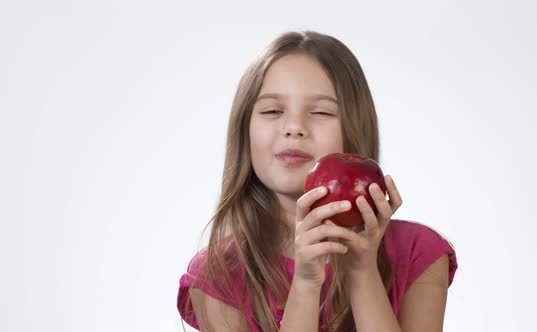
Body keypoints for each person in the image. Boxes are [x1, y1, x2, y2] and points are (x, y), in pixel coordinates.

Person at [177, 30, 458, 332]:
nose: (294, 127)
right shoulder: (218, 275)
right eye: (272, 111)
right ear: (244, 131)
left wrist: (362, 272)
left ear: (355, 128)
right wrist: (306, 286)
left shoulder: (418, 253)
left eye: (321, 112)